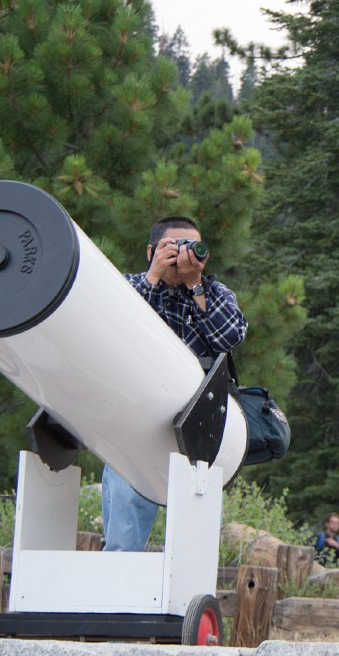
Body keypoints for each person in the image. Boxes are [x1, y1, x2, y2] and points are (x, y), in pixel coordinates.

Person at [102, 216, 248, 552]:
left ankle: (186, 602)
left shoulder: (212, 292)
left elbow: (230, 337)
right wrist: (153, 276)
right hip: (136, 423)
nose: (184, 254)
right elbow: (113, 325)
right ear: (151, 250)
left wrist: (196, 285)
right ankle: (116, 592)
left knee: (192, 542)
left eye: (192, 246)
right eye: (174, 245)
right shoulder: (129, 287)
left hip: (197, 425)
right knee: (124, 534)